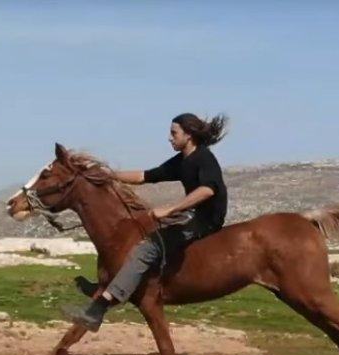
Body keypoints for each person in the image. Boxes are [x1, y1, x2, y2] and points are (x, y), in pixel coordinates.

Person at [62, 112, 230, 332]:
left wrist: (171, 208)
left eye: (173, 133)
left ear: (188, 135)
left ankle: (98, 309)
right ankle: (109, 284)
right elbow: (144, 176)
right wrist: (109, 175)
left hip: (206, 220)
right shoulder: (183, 160)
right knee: (141, 230)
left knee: (146, 249)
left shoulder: (204, 158)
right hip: (194, 214)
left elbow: (207, 190)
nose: (169, 138)